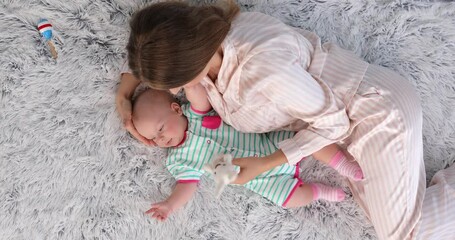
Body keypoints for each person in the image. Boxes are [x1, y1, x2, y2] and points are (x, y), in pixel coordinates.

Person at [116, 1, 455, 239]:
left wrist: (266, 163)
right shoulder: (208, 41)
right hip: (353, 122)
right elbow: (159, 44)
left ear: (188, 65)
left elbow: (333, 122)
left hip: (374, 116)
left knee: (409, 235)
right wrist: (124, 97)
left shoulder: (261, 71)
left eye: (171, 84)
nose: (172, 91)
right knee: (386, 211)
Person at [132, 88, 346, 221]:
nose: (160, 140)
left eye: (160, 129)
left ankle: (341, 163)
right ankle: (319, 192)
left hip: (269, 144)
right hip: (260, 179)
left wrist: (190, 84)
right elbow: (186, 186)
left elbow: (199, 97)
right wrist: (170, 204)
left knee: (307, 139)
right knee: (291, 199)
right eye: (154, 137)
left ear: (176, 109)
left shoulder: (194, 114)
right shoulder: (178, 160)